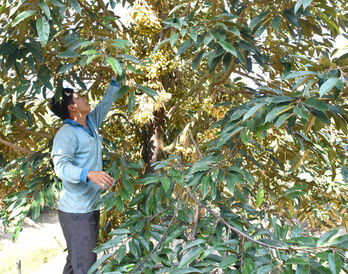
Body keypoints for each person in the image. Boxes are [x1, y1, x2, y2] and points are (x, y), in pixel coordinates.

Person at [50, 73, 121, 274]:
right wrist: (89, 174)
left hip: (88, 207)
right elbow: (61, 167)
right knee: (85, 266)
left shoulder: (89, 124)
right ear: (72, 108)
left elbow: (104, 105)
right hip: (77, 212)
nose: (84, 98)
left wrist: (115, 81)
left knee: (76, 264)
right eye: (78, 97)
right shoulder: (66, 134)